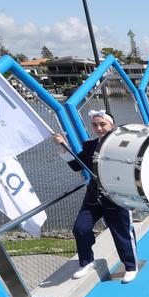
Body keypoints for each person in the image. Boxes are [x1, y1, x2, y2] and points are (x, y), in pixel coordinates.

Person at [53, 110, 138, 283]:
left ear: (112, 125)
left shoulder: (123, 143)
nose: (99, 128)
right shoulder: (90, 145)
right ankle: (86, 262)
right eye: (95, 125)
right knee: (80, 228)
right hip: (94, 197)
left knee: (121, 232)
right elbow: (78, 165)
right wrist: (63, 146)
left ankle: (130, 266)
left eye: (102, 124)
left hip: (116, 196)